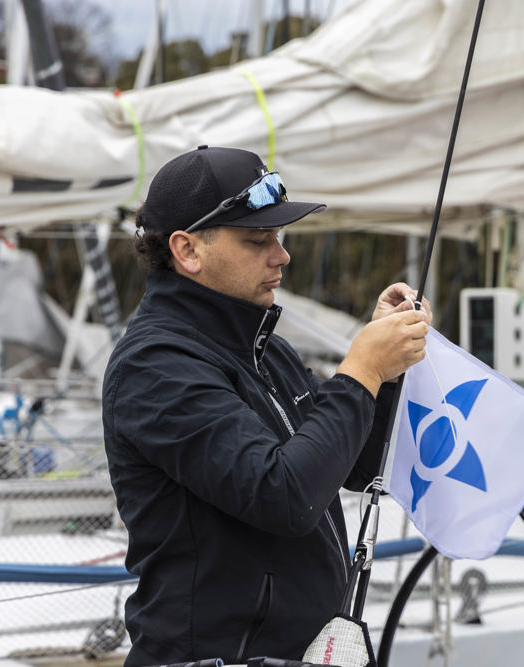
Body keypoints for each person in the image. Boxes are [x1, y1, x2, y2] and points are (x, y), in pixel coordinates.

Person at [102, 145, 431, 666]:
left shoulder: (261, 345)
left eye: (279, 237)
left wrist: (384, 373)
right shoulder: (155, 365)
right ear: (188, 250)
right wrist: (362, 369)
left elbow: (352, 467)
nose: (281, 256)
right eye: (258, 240)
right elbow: (285, 496)